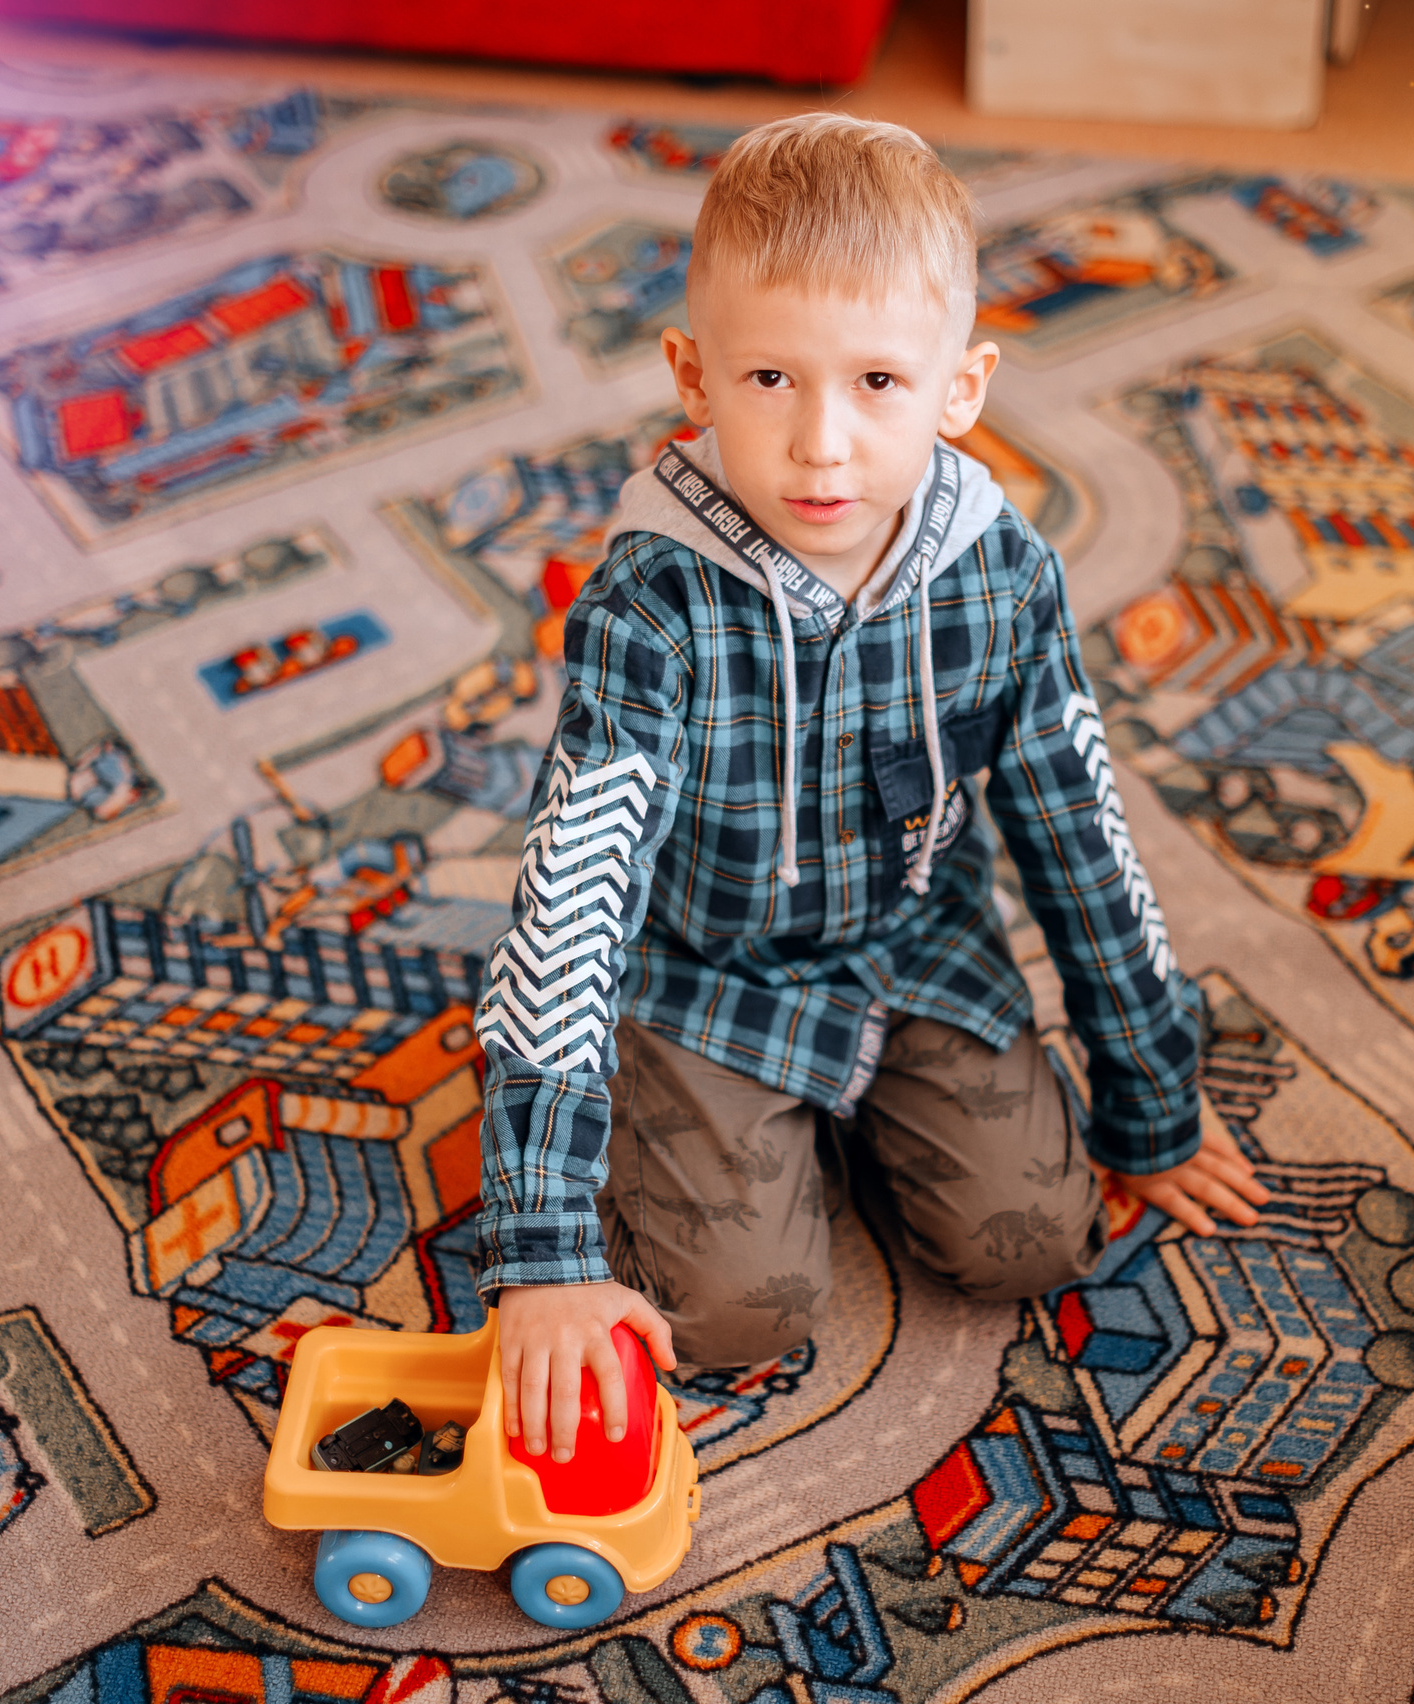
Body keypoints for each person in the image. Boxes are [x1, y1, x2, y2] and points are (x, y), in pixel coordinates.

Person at [472, 113, 1268, 1465]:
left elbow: (1078, 830)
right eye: (772, 377)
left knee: (1033, 1238)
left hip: (914, 947)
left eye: (880, 383)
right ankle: (718, 1134)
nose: (822, 446)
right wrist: (543, 1251)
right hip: (695, 973)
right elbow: (572, 898)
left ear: (963, 387)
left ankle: (823, 1125)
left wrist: (1152, 1097)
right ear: (693, 374)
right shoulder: (647, 609)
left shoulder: (1004, 572)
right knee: (740, 1311)